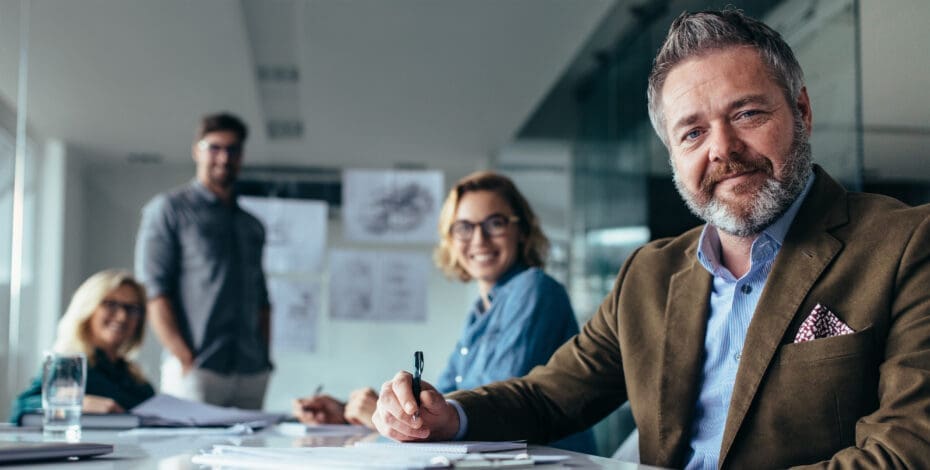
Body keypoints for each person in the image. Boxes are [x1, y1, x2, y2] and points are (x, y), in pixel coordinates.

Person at [371, 9, 930, 469]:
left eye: (748, 113)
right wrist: (449, 415)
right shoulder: (648, 275)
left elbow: (906, 451)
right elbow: (548, 395)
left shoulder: (905, 244)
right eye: (692, 132)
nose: (722, 148)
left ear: (801, 111)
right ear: (672, 156)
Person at [294, 171, 596, 453]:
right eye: (464, 227)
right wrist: (360, 411)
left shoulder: (534, 289)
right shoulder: (480, 309)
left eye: (495, 223)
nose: (479, 239)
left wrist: (385, 409)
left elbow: (494, 403)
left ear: (521, 230)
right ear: (451, 239)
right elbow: (446, 399)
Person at [134, 112, 272, 409]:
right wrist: (183, 356)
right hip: (198, 369)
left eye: (233, 149)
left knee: (251, 454)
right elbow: (154, 289)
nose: (224, 158)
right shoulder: (168, 210)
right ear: (197, 150)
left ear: (241, 156)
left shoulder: (252, 225)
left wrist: (265, 358)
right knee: (186, 456)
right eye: (215, 147)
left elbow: (262, 297)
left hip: (252, 371)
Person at [10, 270, 155, 423]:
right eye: (111, 304)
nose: (122, 316)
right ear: (88, 308)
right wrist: (79, 403)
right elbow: (21, 407)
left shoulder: (137, 380)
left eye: (132, 309)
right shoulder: (68, 365)